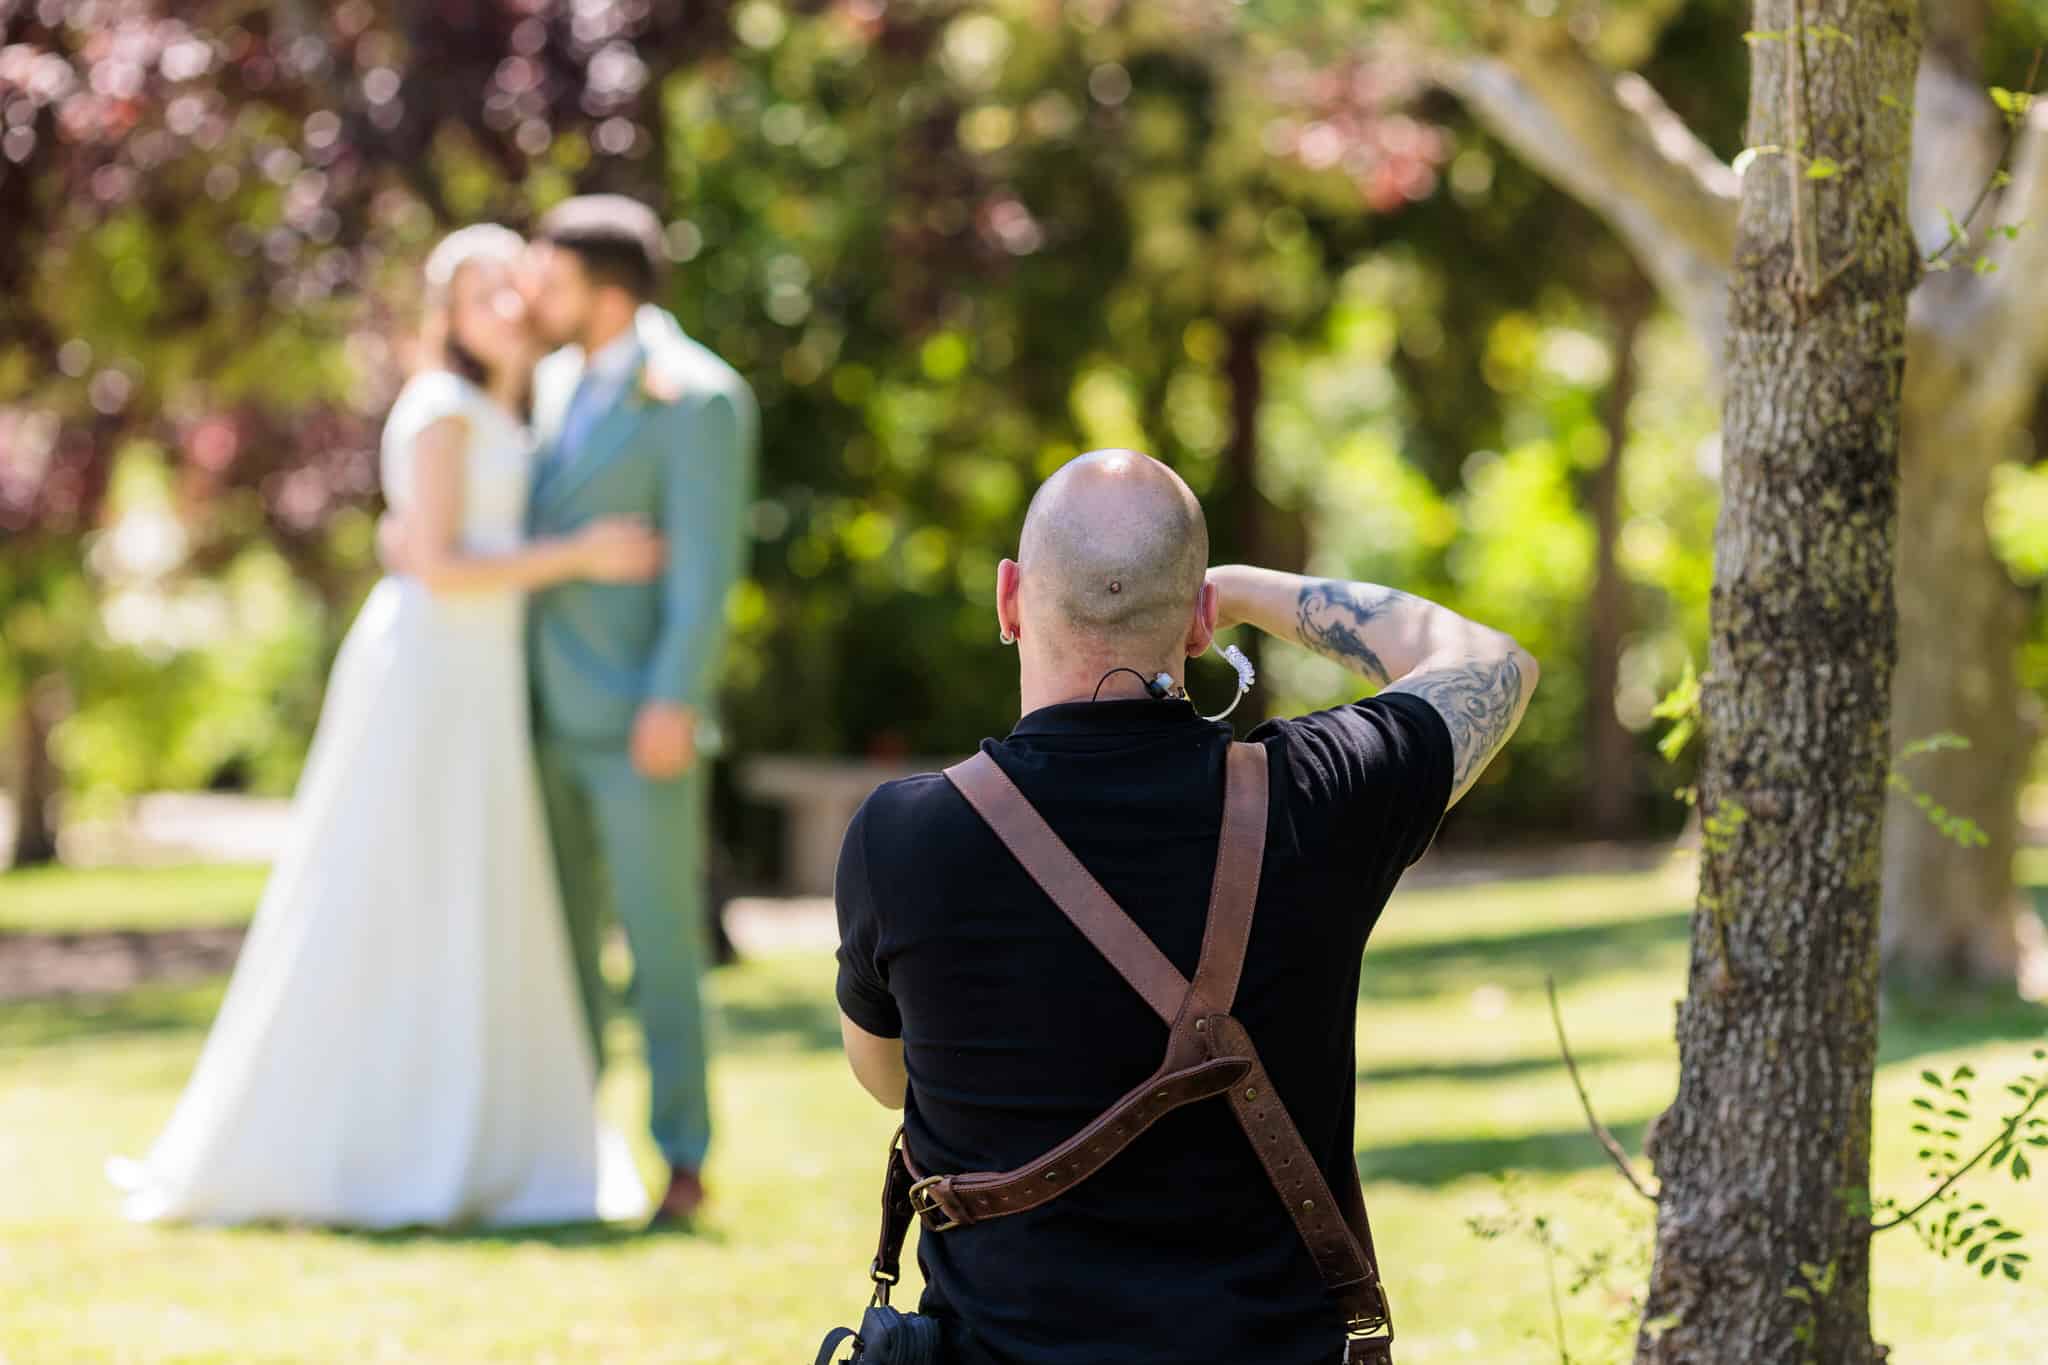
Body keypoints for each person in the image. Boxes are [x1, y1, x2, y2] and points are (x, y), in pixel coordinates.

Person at [832, 449, 1538, 1363]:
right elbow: (1491, 663)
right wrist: (1241, 589)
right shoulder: (1315, 796)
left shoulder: (905, 835)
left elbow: (889, 1078)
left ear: (1010, 599)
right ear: (1200, 620)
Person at [109, 224, 658, 1227]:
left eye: (511, 288)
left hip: (483, 674)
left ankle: (490, 1132)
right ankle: (379, 1143)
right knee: (401, 884)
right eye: (479, 292)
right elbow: (440, 563)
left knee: (478, 890)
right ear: (444, 314)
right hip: (431, 670)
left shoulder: (516, 403)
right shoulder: (443, 407)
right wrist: (580, 554)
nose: (503, 305)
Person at [514, 195, 757, 1223]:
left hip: (639, 725)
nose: (533, 296)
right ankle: (572, 1148)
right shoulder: (550, 382)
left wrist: (674, 699)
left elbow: (705, 571)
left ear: (606, 293)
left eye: (551, 279)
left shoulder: (698, 397)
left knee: (660, 947)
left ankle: (683, 1158)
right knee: (558, 943)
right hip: (538, 717)